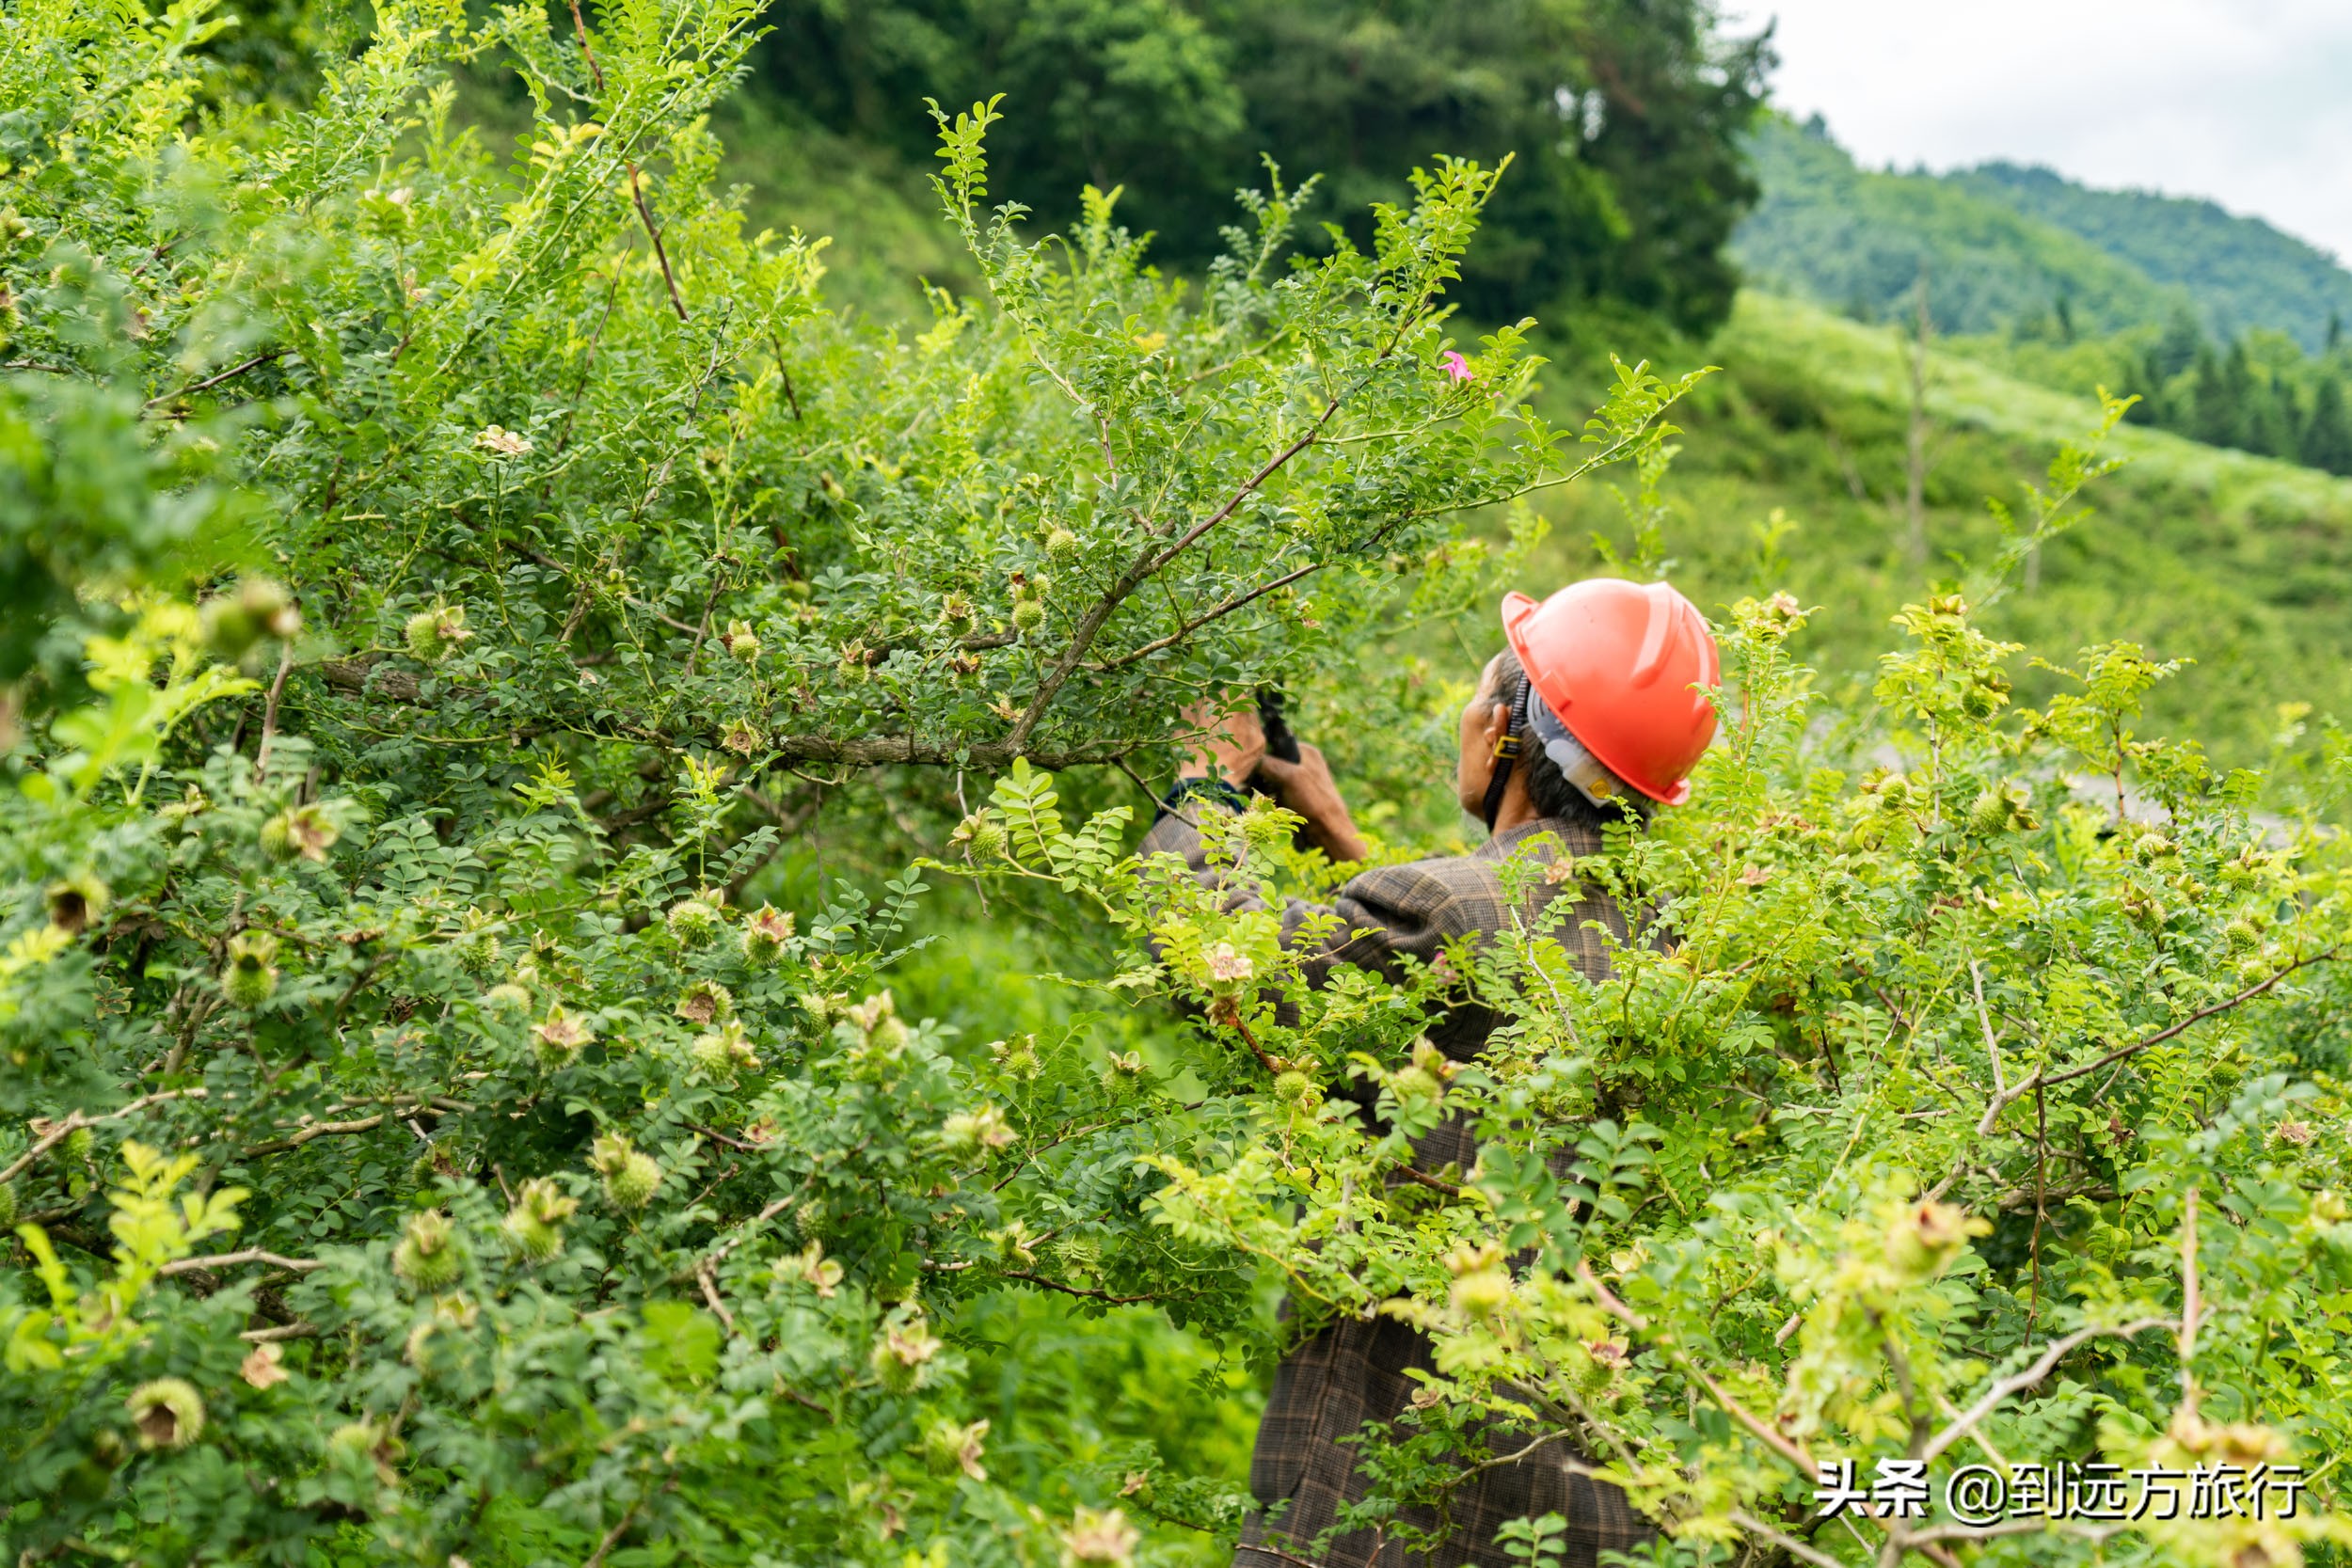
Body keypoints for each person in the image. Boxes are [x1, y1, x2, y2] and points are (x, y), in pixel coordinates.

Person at [1138, 578, 1721, 1568]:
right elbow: (1474, 981)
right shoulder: (1699, 941)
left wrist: (1204, 788)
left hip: (1390, 1507)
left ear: (1503, 732)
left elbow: (1206, 956)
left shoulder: (1443, 909)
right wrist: (1339, 836)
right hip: (1601, 1511)